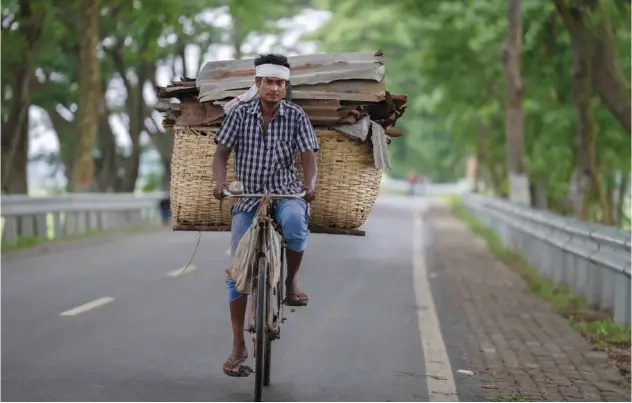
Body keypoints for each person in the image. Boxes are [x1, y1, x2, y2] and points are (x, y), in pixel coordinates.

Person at [211, 53, 319, 377]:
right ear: (257, 83)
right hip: (248, 198)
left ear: (286, 86)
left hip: (287, 192)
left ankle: (288, 282)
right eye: (269, 81)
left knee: (296, 226)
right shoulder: (240, 114)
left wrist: (310, 184)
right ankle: (238, 345)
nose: (274, 88)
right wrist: (220, 182)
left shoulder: (297, 116)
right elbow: (220, 155)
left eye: (280, 83)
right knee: (238, 271)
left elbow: (309, 157)